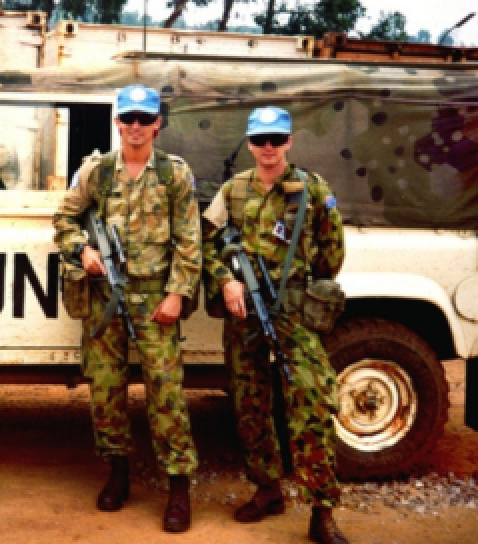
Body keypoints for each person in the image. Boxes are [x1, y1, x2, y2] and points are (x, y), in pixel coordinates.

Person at [53, 84, 201, 533]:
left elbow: (189, 238)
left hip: (156, 298)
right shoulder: (96, 172)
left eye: (144, 118)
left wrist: (177, 293)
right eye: (128, 118)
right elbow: (64, 219)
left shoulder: (174, 174)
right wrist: (81, 251)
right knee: (106, 390)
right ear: (117, 122)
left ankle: (178, 488)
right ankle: (118, 474)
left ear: (157, 124)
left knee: (166, 392)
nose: (135, 126)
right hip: (105, 300)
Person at [201, 106, 349, 544]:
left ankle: (322, 509)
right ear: (249, 144)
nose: (269, 148)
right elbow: (208, 244)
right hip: (245, 309)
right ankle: (267, 489)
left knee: (312, 401)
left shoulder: (311, 189)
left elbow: (331, 251)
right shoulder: (232, 191)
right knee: (249, 401)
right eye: (261, 141)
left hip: (294, 311)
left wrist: (301, 285)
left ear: (288, 143)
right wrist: (227, 280)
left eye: (277, 140)